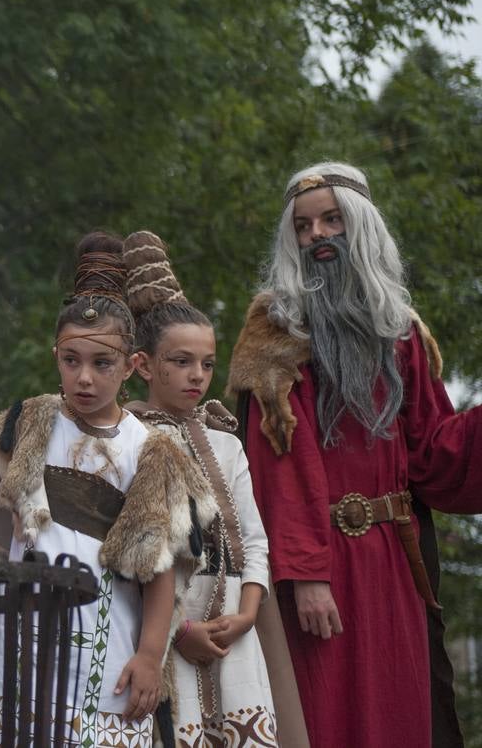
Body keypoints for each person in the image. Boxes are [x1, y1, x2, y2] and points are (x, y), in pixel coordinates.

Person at [227, 161, 482, 748]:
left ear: (360, 226)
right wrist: (307, 575)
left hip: (393, 563)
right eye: (303, 226)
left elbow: (433, 455)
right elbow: (280, 463)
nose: (317, 235)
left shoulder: (401, 332)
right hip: (324, 564)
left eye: (331, 220)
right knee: (328, 716)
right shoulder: (276, 333)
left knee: (401, 711)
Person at [0, 232, 214, 747]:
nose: (84, 378)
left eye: (101, 364)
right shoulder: (31, 421)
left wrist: (150, 656)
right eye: (70, 360)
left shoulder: (151, 451)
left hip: (109, 641)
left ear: (131, 365)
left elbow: (160, 570)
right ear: (56, 354)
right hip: (22, 636)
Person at [121, 231, 281, 747]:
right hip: (165, 631)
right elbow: (129, 552)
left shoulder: (227, 444)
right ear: (143, 365)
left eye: (208, 364)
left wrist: (249, 613)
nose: (197, 376)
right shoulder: (127, 439)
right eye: (181, 361)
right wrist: (179, 630)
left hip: (238, 628)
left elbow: (254, 540)